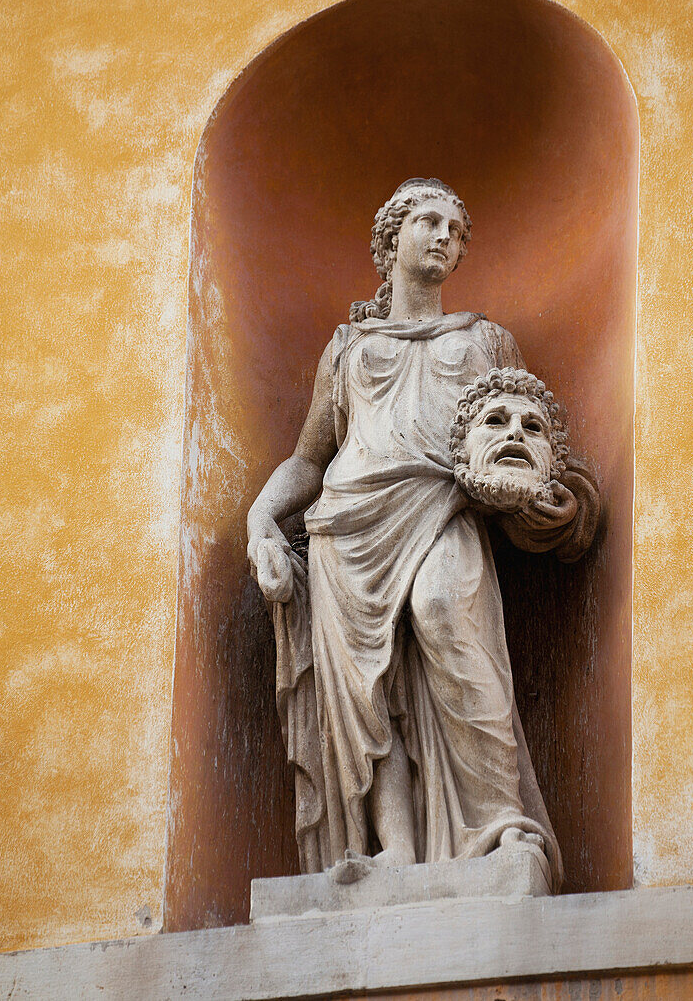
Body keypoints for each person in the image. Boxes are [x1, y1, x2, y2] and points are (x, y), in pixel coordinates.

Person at [247, 178, 598, 892]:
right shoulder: (347, 347)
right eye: (428, 222)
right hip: (346, 525)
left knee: (449, 623)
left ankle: (503, 829)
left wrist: (557, 499)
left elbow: (530, 438)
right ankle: (395, 855)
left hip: (445, 508)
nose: (444, 237)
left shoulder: (484, 338)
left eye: (456, 230)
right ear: (390, 238)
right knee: (366, 697)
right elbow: (309, 457)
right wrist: (259, 518)